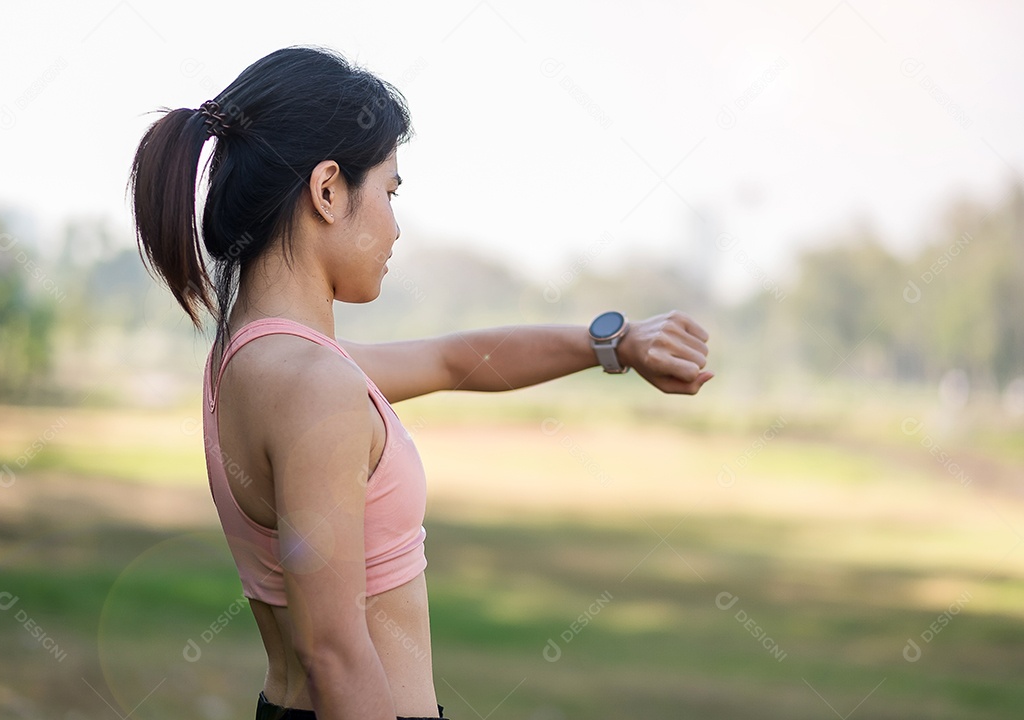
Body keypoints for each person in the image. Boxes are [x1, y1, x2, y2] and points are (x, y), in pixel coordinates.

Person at [129, 46, 712, 720]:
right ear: (327, 190)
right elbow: (335, 654)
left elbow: (451, 360)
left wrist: (615, 342)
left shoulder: (255, 360)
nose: (395, 225)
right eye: (390, 191)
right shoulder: (314, 385)